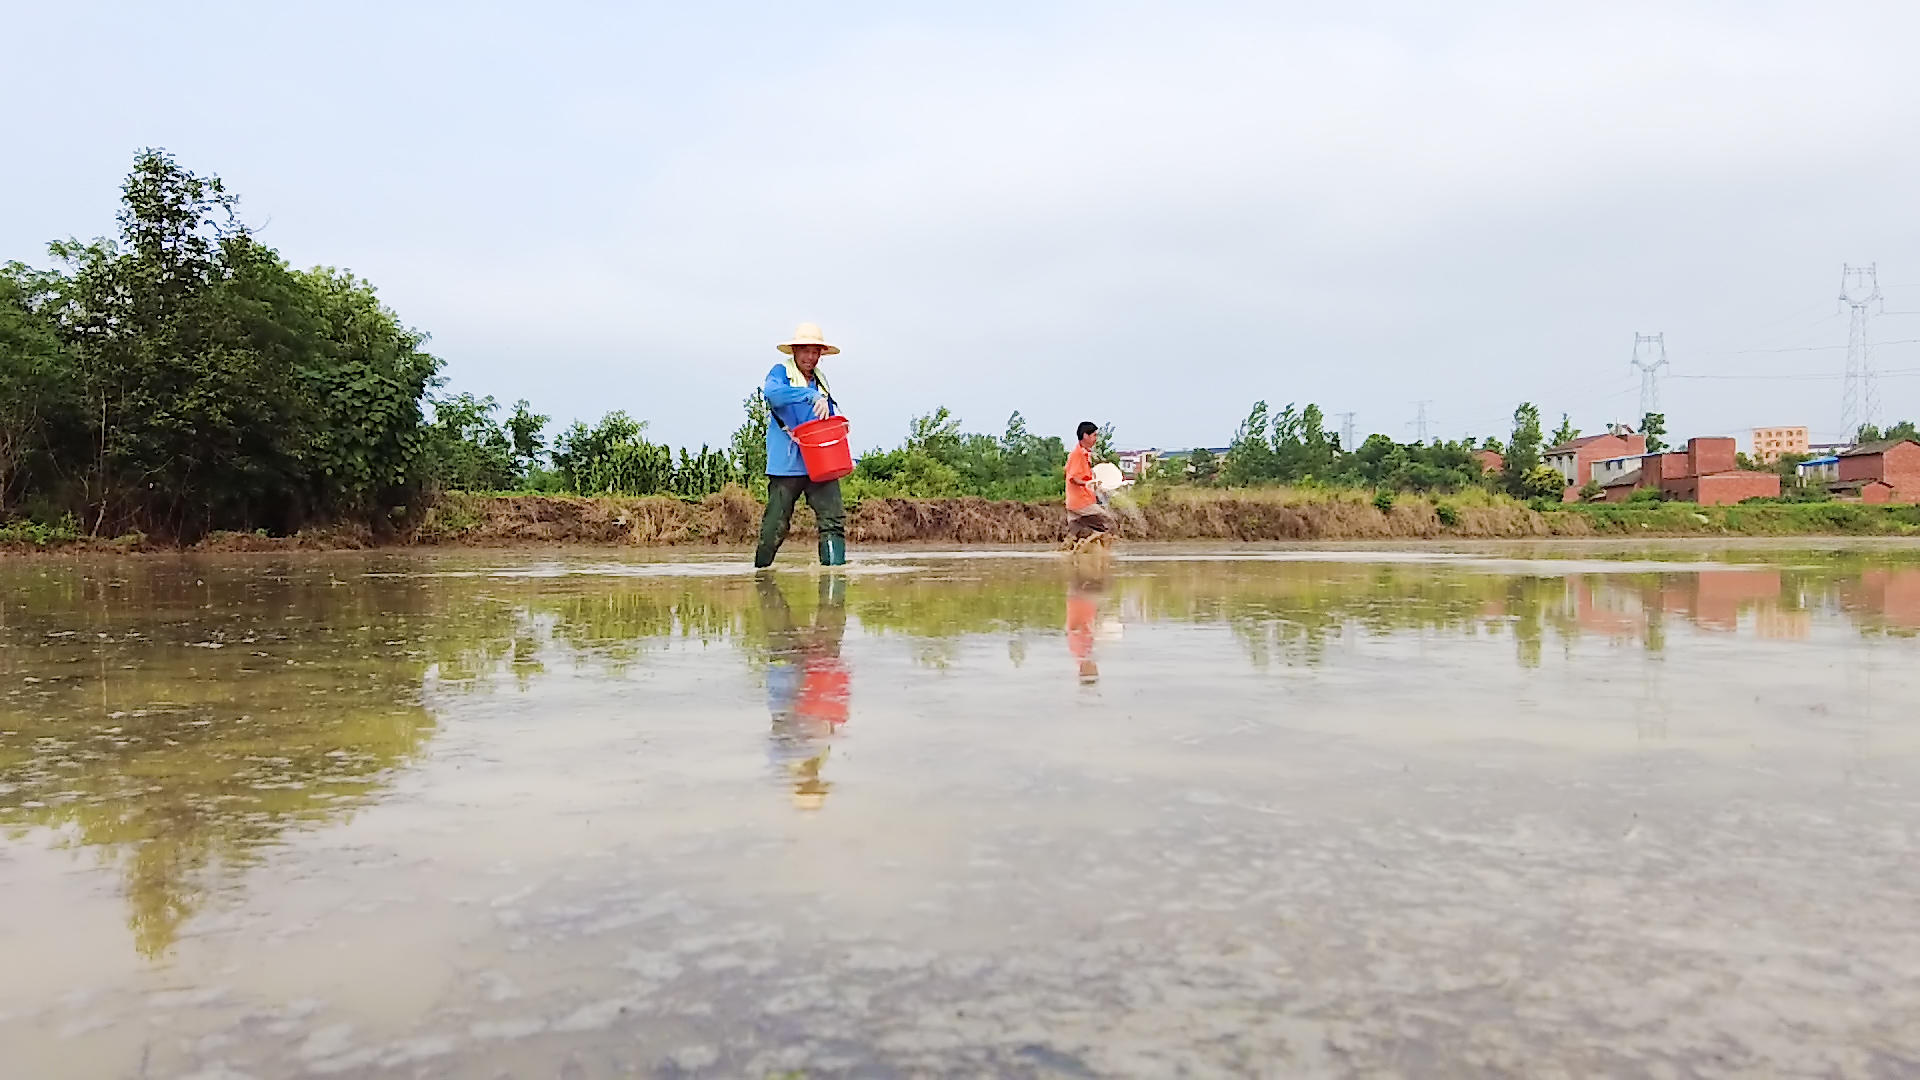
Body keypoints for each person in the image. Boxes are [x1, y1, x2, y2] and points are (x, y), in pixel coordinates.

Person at [756, 322, 847, 568]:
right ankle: (761, 573)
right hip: (787, 463)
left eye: (815, 352)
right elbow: (773, 394)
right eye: (805, 350)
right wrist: (808, 395)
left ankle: (834, 584)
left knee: (833, 522)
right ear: (794, 351)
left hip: (821, 463)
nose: (810, 357)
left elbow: (826, 420)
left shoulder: (821, 380)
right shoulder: (780, 372)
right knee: (775, 524)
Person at [758, 574, 850, 809]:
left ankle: (764, 578)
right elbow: (824, 719)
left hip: (789, 673)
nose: (813, 780)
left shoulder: (789, 757)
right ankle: (766, 578)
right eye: (815, 784)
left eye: (811, 785)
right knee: (828, 615)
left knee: (778, 611)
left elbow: (802, 719)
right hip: (796, 674)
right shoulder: (813, 756)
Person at [1065, 420, 1115, 539]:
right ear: (1085, 435)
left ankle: (1086, 555)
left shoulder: (1084, 453)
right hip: (1082, 503)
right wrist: (1089, 483)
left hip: (1074, 503)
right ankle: (1103, 555)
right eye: (1094, 435)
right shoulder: (1078, 454)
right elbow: (1073, 478)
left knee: (1075, 539)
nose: (1096, 439)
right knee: (1109, 524)